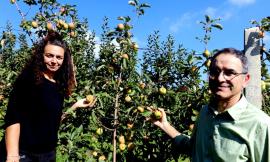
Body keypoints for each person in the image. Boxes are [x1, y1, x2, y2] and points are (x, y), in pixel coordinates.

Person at [152, 48, 270, 161]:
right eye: (215, 71)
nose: (220, 78)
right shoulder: (205, 112)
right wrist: (165, 125)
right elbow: (193, 148)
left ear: (246, 80)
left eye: (230, 73)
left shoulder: (260, 125)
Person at [0, 31, 95, 162]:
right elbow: (13, 119)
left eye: (59, 57)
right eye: (49, 56)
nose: (54, 61)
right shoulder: (28, 80)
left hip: (48, 154)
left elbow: (52, 121)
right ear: (41, 56)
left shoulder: (59, 86)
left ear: (64, 60)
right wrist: (12, 155)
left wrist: (75, 106)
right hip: (24, 153)